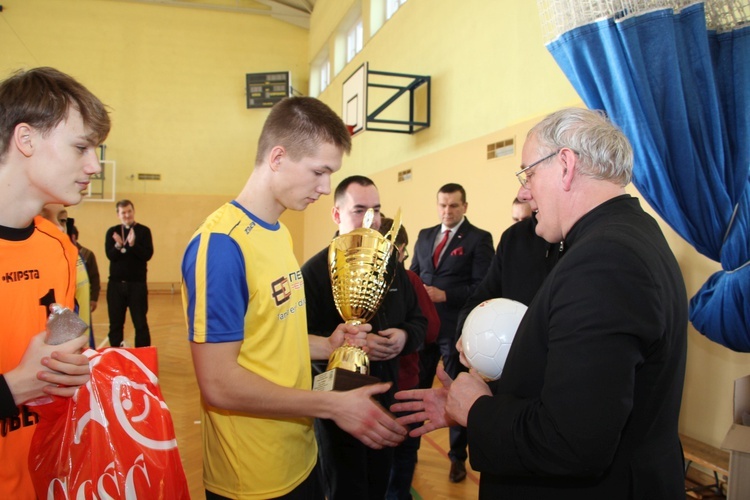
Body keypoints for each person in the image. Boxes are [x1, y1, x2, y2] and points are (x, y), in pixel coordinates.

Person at [393, 108, 689, 499]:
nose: (524, 191)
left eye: (528, 173)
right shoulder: (628, 236)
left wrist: (477, 411)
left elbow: (572, 440)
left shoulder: (604, 260)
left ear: (565, 165)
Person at [181, 97, 407, 500]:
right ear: (278, 157)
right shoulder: (220, 247)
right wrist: (332, 406)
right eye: (319, 172)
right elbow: (218, 383)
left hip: (300, 455)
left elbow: (268, 340)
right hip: (251, 475)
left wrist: (328, 344)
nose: (325, 188)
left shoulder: (278, 233)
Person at [0, 66, 110, 499]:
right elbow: (22, 382)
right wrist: (9, 390)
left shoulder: (59, 247)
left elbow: (59, 349)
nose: (95, 165)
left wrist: (75, 365)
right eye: (81, 147)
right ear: (25, 140)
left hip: (36, 478)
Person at [301, 176, 427, 500]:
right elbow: (298, 340)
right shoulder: (315, 271)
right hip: (336, 406)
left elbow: (419, 321)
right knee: (345, 487)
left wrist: (404, 337)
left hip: (385, 397)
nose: (371, 219)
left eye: (377, 210)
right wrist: (340, 347)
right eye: (359, 210)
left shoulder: (392, 266)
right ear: (337, 215)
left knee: (379, 483)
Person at [408, 182, 493, 482]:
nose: (447, 211)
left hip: (455, 330)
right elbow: (413, 276)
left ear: (465, 207)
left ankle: (458, 457)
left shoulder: (479, 239)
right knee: (417, 388)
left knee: (456, 392)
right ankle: (410, 448)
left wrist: (445, 295)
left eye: (454, 205)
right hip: (423, 328)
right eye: (443, 205)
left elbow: (481, 286)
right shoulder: (425, 235)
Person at [379, 217, 440, 500]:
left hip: (365, 388)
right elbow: (432, 329)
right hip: (404, 387)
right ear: (400, 247)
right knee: (402, 459)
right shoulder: (409, 279)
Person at [105, 199, 154, 347]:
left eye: (129, 211)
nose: (127, 215)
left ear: (133, 212)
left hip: (137, 285)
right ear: (118, 215)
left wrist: (133, 245)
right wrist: (119, 245)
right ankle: (115, 357)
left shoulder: (144, 231)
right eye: (123, 212)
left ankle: (143, 358)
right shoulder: (112, 232)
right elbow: (110, 256)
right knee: (115, 325)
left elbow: (147, 255)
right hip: (115, 285)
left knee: (140, 324)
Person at [68, 220, 101, 348]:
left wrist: (93, 298)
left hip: (83, 304)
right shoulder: (62, 254)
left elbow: (95, 278)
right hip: (69, 304)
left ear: (73, 237)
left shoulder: (86, 255)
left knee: (85, 332)